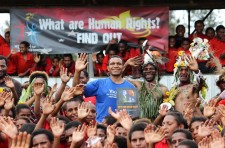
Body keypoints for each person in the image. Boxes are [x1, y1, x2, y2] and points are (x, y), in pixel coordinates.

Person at [72, 53, 136, 123]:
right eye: (112, 64)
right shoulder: (99, 83)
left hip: (120, 128)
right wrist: (77, 71)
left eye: (118, 64)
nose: (115, 66)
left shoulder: (130, 87)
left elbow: (132, 113)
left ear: (123, 67)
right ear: (108, 68)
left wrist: (118, 123)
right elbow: (76, 90)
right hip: (101, 126)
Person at [125, 50, 168, 120]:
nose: (148, 71)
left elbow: (166, 113)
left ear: (156, 71)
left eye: (151, 69)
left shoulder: (163, 89)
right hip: (139, 124)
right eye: (145, 69)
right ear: (142, 73)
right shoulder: (138, 85)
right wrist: (126, 64)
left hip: (156, 126)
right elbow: (119, 79)